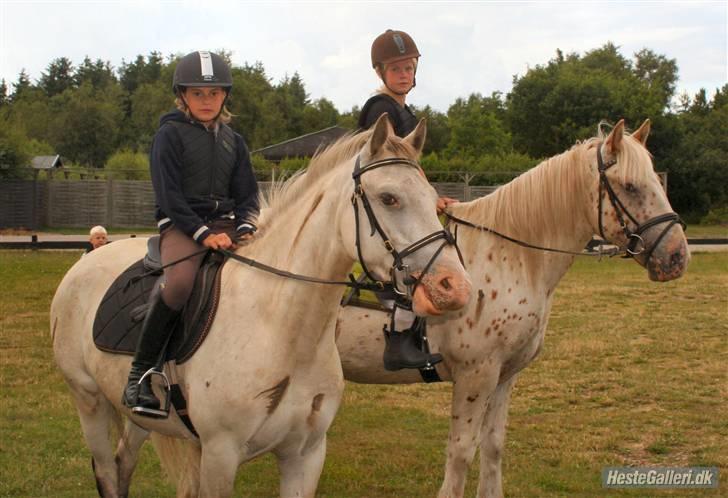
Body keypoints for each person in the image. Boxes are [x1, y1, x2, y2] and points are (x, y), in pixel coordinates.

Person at [122, 51, 259, 418]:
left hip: (228, 225)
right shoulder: (168, 134)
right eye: (197, 93)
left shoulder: (234, 140)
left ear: (225, 96)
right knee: (181, 284)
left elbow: (248, 194)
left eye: (214, 93)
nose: (206, 101)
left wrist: (246, 226)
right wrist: (202, 235)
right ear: (182, 95)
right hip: (182, 226)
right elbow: (169, 196)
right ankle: (139, 374)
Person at [358, 30, 456, 371]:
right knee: (409, 257)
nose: (404, 75)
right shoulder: (380, 110)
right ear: (381, 72)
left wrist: (431, 198)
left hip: (402, 196)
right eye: (397, 69)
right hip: (382, 203)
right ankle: (398, 341)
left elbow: (411, 169)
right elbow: (391, 170)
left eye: (409, 68)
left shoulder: (403, 110)